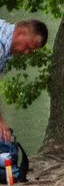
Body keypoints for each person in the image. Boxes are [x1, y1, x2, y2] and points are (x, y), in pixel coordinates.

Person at [0, 17, 49, 147]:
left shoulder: (6, 48)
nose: (27, 53)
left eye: (31, 51)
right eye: (28, 47)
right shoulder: (1, 43)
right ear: (21, 32)